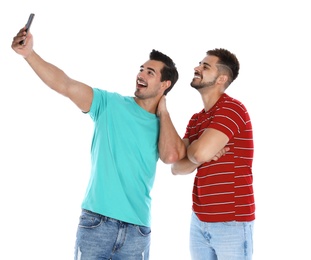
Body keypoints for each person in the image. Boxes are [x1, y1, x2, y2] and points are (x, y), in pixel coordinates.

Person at [11, 25, 187, 260]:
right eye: (142, 69)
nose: (141, 75)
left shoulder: (164, 127)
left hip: (137, 231)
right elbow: (65, 84)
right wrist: (29, 54)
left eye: (150, 73)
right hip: (97, 224)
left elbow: (172, 157)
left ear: (165, 85)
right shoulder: (109, 104)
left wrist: (163, 112)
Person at [172, 48, 255, 260]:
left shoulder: (232, 109)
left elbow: (197, 155)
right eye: (200, 64)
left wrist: (195, 153)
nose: (196, 68)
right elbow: (176, 167)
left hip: (231, 223)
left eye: (205, 66)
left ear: (222, 78)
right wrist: (200, 152)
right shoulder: (196, 119)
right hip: (199, 220)